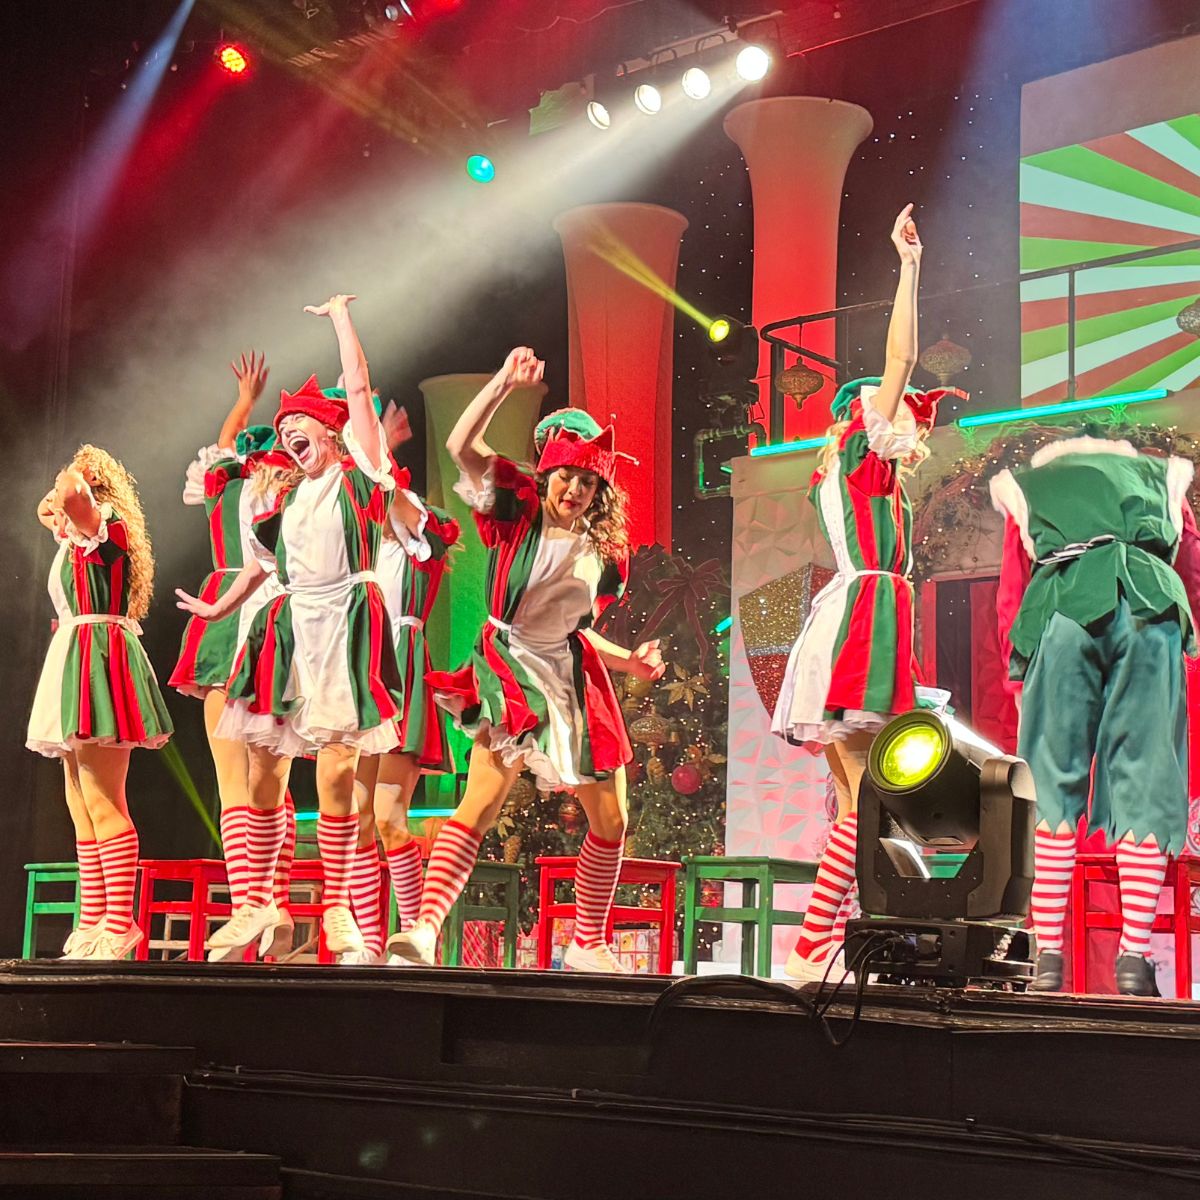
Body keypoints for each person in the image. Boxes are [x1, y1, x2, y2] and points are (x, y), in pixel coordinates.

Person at [387, 348, 664, 973]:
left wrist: (633, 664)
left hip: (574, 676)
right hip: (510, 665)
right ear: (547, 474)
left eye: (588, 480)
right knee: (482, 800)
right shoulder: (515, 512)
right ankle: (424, 930)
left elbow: (581, 634)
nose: (574, 488)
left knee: (612, 818)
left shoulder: (605, 553)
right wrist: (502, 385)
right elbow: (462, 445)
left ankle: (588, 943)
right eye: (566, 475)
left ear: (600, 488)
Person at [176, 294, 423, 960]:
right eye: (285, 434)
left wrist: (343, 317)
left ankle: (341, 908)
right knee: (264, 775)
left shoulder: (361, 477)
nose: (291, 442)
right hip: (286, 628)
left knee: (339, 772)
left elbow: (362, 386)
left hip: (345, 623)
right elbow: (262, 572)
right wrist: (218, 610)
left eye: (302, 429)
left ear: (333, 433)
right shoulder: (282, 502)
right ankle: (259, 904)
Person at [771, 205, 951, 983]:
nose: (912, 425)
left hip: (864, 619)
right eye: (901, 413)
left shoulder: (872, 480)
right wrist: (908, 267)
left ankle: (823, 946)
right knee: (864, 798)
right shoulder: (860, 455)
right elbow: (902, 358)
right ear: (866, 415)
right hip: (861, 624)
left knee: (861, 802)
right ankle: (815, 949)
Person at [991, 435, 1200, 996]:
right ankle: (1135, 959)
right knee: (1146, 771)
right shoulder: (1163, 479)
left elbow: (1012, 589)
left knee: (1051, 780)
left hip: (1059, 614)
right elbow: (1193, 567)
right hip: (1149, 609)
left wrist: (1017, 672)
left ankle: (1045, 956)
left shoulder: (1030, 487)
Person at [169, 353, 298, 960]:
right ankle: (270, 903)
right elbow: (227, 444)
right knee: (268, 781)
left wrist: (244, 401)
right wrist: (248, 403)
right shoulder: (278, 487)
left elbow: (222, 444)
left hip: (241, 612)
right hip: (267, 618)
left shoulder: (231, 486)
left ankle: (255, 903)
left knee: (239, 783)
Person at [28, 445, 173, 960]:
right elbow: (50, 508)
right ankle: (93, 916)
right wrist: (58, 509)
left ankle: (120, 920)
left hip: (100, 660)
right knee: (79, 799)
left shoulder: (105, 528)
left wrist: (78, 471)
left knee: (104, 796)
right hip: (74, 656)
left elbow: (65, 495)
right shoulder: (76, 540)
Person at [341, 397, 462, 965]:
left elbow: (393, 498)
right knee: (360, 816)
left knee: (390, 819)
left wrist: (382, 449)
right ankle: (367, 943)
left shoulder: (421, 544)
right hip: (367, 670)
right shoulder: (369, 550)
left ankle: (415, 935)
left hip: (403, 672)